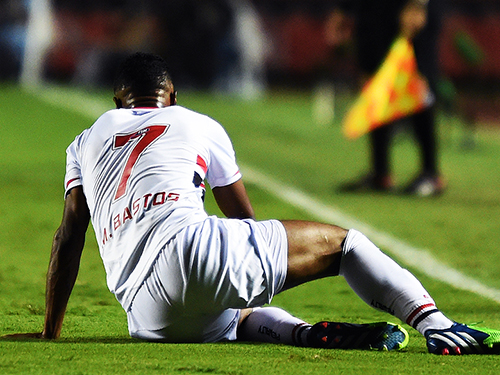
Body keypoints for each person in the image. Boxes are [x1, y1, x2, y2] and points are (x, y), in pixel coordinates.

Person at [4, 52, 500, 355]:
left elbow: (68, 237)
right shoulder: (197, 122)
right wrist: (264, 268)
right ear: (170, 95)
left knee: (227, 316)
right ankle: (436, 324)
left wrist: (51, 333)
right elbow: (243, 218)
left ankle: (303, 335)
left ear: (118, 101)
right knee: (347, 245)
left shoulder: (84, 140)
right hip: (194, 250)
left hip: (144, 313)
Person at [342, 0, 445, 196]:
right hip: (377, 13)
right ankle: (381, 173)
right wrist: (344, 9)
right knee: (378, 88)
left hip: (407, 9)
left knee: (418, 82)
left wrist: (419, 5)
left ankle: (431, 173)